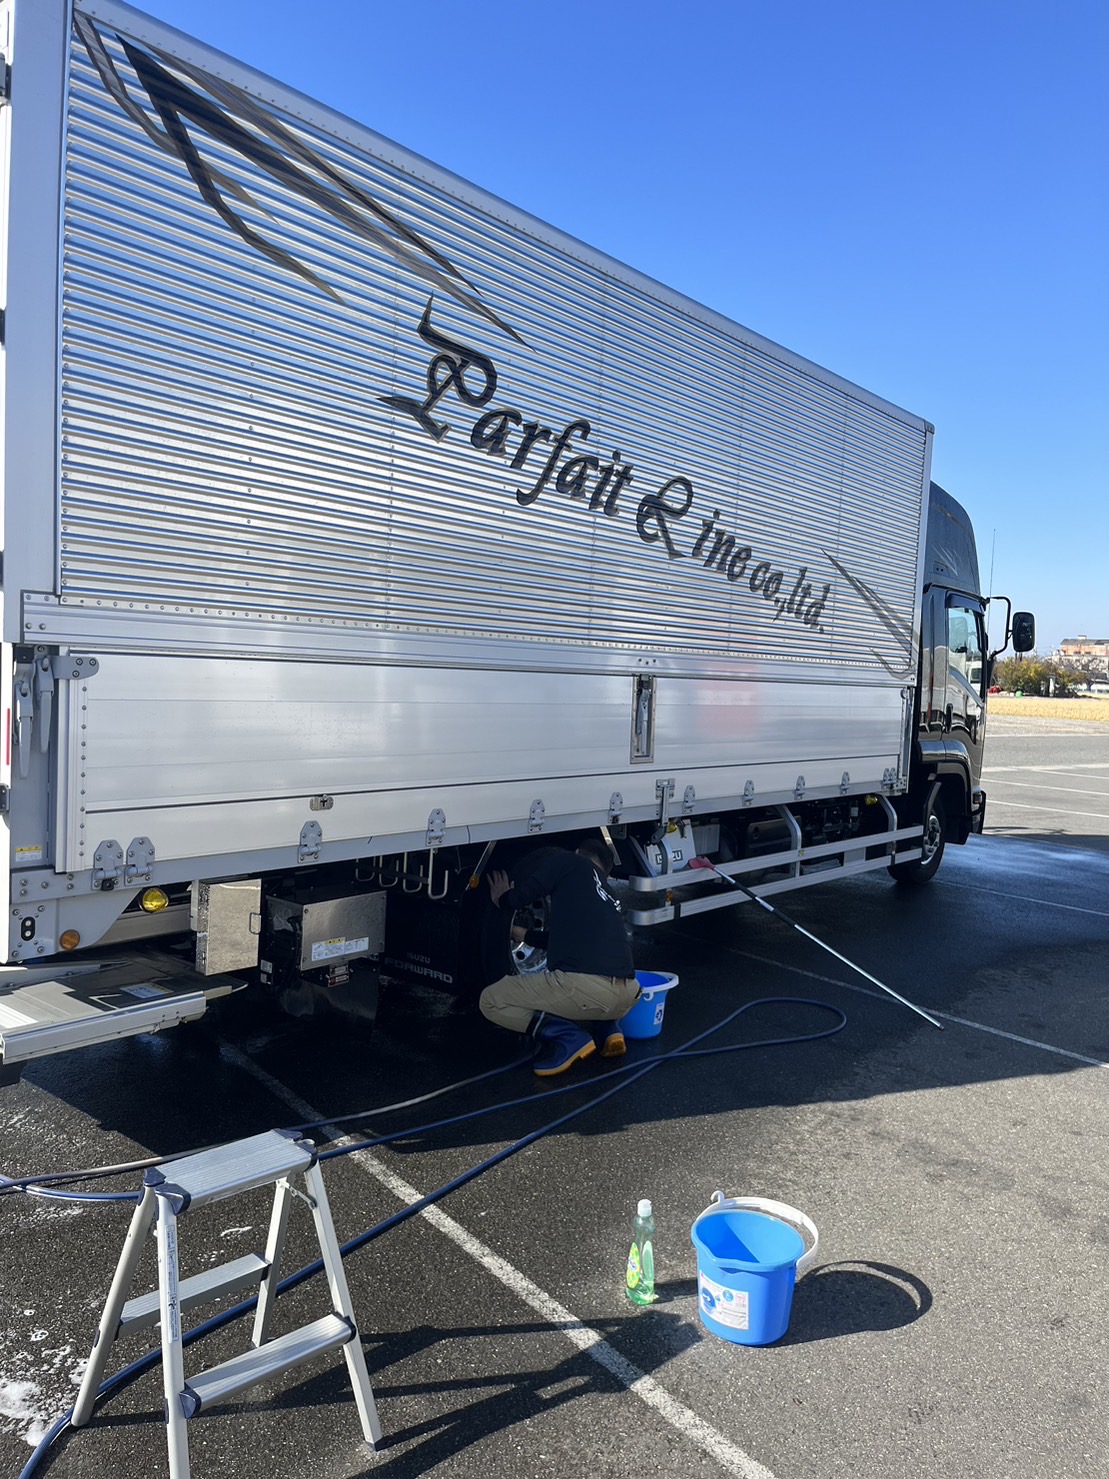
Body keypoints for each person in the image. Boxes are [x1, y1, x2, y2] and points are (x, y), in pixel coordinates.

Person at [480, 838, 640, 1077]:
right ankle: (608, 1028)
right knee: (593, 991)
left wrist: (503, 898)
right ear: (605, 872)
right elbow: (563, 940)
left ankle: (569, 1037)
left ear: (578, 851)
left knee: (491, 1000)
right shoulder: (609, 894)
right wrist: (522, 935)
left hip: (588, 991)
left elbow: (522, 895)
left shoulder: (569, 860)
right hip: (629, 995)